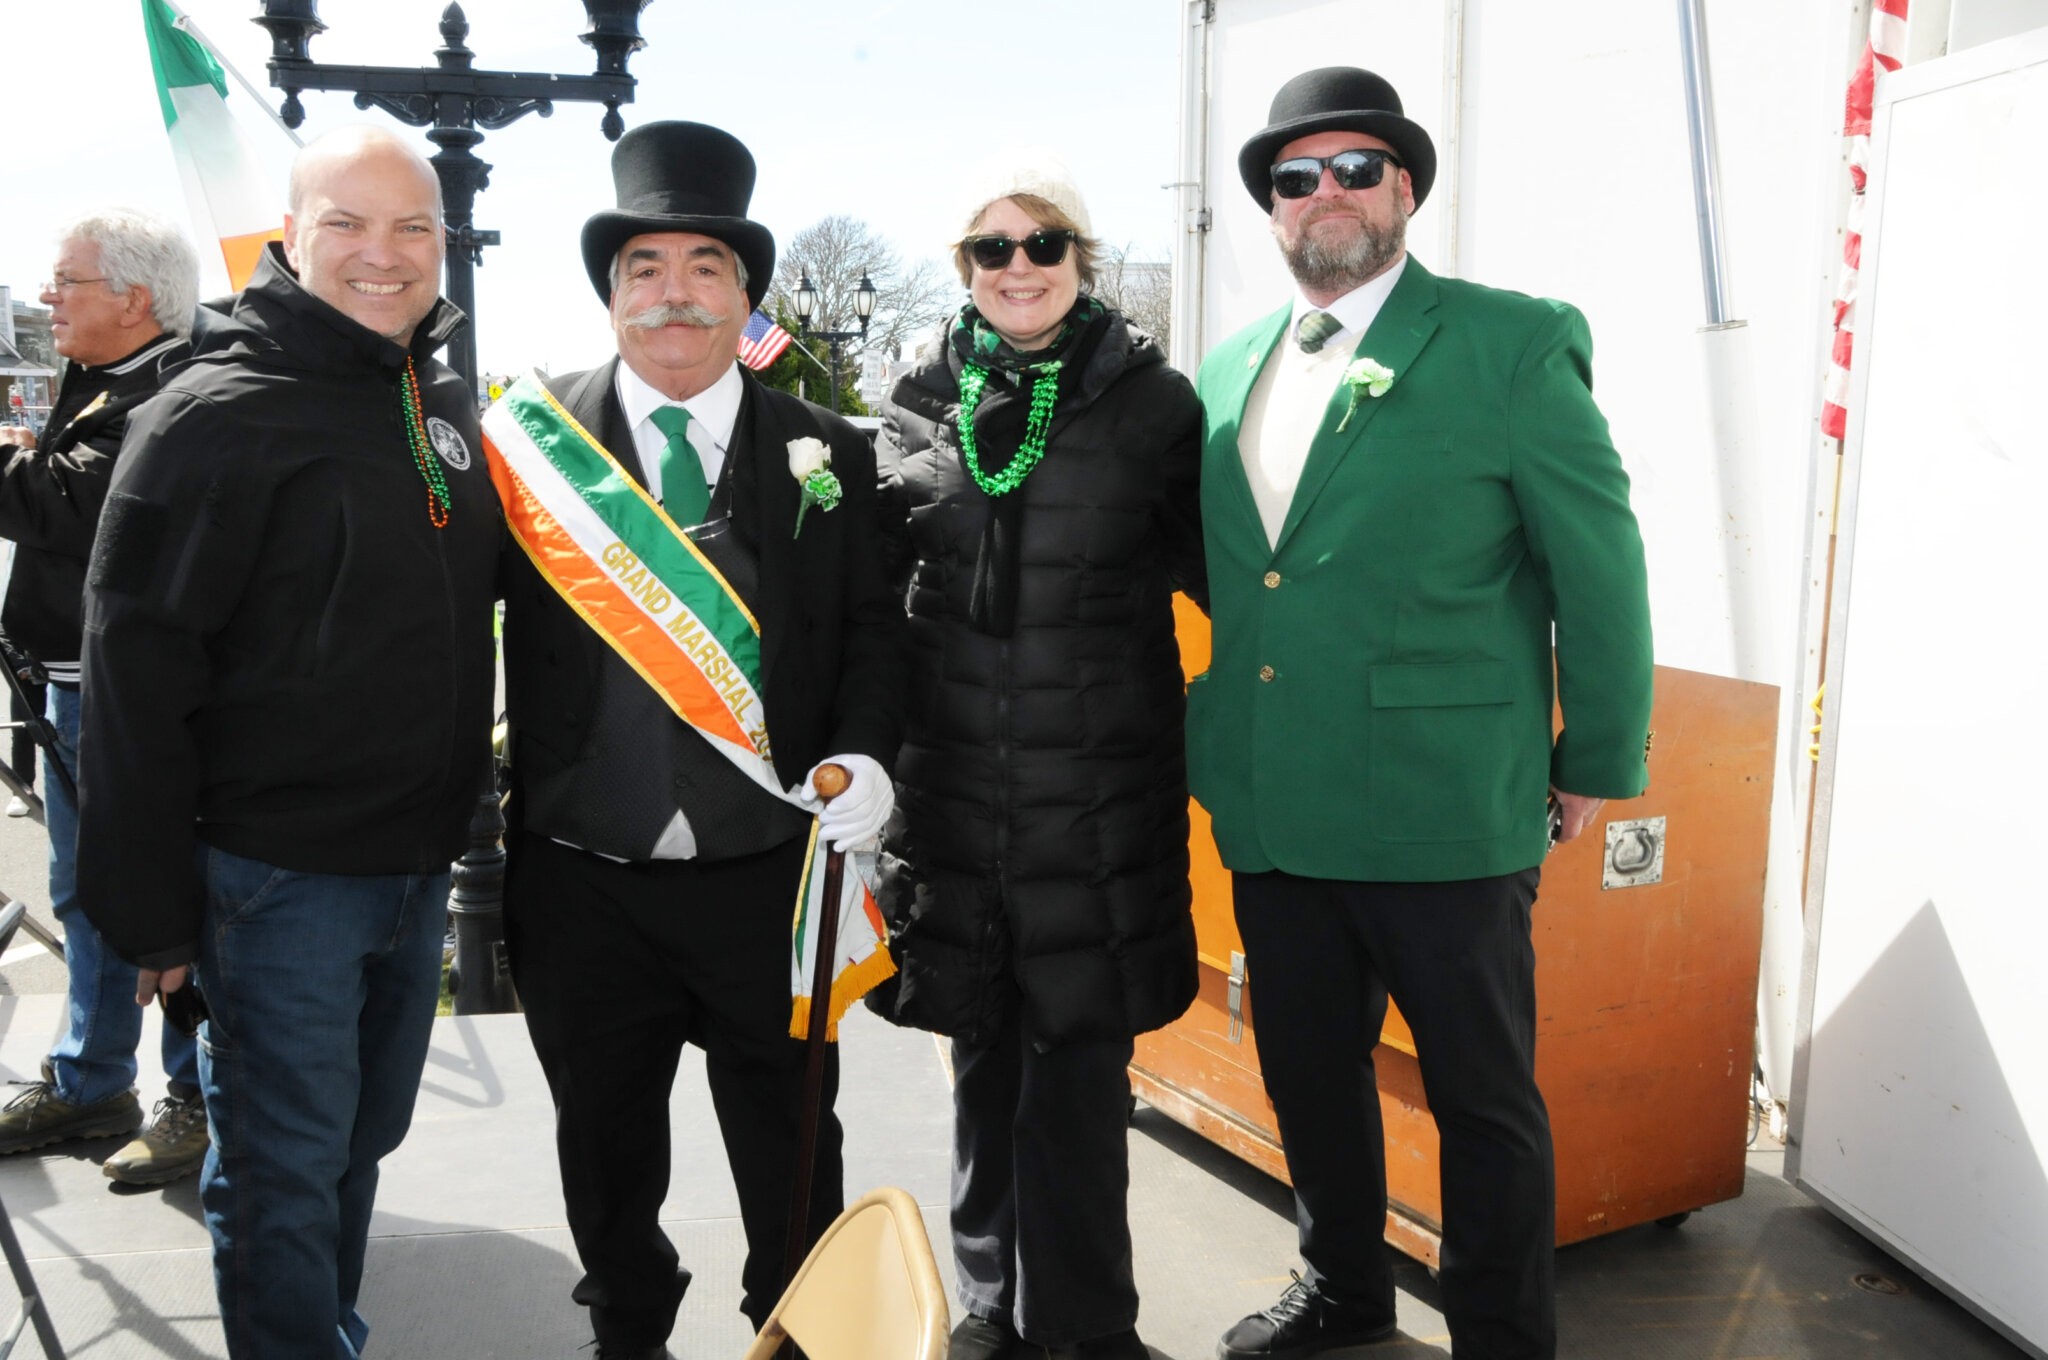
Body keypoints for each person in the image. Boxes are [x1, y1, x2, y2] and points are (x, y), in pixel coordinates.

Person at [1191, 68, 1654, 1360]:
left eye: (1353, 168)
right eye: (1295, 177)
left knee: (1480, 1099)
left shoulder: (1509, 341)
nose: (1324, 194)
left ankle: (1503, 1337)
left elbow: (1598, 562)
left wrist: (1599, 753)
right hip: (1276, 806)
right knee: (1308, 1078)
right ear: (1271, 212)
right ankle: (1344, 1289)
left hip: (1448, 804)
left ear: (1405, 190)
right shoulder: (1228, 371)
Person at [74, 126, 500, 1358]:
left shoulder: (434, 396)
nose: (384, 254)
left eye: (413, 227)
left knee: (354, 1145)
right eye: (348, 225)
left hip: (413, 866)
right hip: (277, 882)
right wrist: (148, 910)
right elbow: (134, 678)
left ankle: (330, 1335)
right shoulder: (211, 414)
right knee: (281, 1168)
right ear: (289, 237)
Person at [494, 120, 904, 1359]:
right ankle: (628, 1321)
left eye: (704, 268)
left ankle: (794, 1329)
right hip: (583, 878)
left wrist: (873, 755)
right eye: (643, 269)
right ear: (611, 295)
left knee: (792, 1142)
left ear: (742, 296)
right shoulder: (529, 444)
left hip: (768, 876)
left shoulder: (827, 451)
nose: (673, 294)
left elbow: (875, 633)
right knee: (604, 1145)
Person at [862, 151, 1204, 1360]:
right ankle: (989, 1311)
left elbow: (1229, 581)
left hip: (1093, 798)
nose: (1019, 267)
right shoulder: (908, 398)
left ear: (1081, 259)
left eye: (1043, 243)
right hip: (951, 797)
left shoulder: (1155, 403)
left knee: (1075, 1078)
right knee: (978, 1068)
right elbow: (871, 598)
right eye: (991, 249)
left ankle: (1089, 1326)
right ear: (962, 267)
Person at [0, 208, 207, 1186]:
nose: (49, 299)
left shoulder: (175, 391)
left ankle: (195, 1095)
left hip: (133, 698)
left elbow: (61, 506)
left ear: (132, 298)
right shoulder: (107, 379)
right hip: (72, 679)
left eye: (66, 281)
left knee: (166, 899)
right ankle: (90, 1082)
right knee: (84, 892)